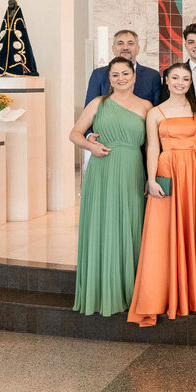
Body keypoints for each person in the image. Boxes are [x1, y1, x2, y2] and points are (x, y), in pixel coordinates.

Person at [127, 63, 196, 326]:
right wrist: (151, 179)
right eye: (175, 78)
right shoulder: (155, 112)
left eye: (185, 79)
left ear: (190, 82)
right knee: (163, 231)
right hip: (168, 171)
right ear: (166, 80)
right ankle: (163, 292)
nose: (180, 83)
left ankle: (194, 292)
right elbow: (152, 148)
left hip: (195, 170)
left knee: (192, 228)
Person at [69, 57, 152, 316]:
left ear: (134, 76)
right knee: (102, 224)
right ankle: (101, 290)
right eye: (115, 75)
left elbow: (152, 146)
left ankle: (129, 291)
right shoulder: (98, 103)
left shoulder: (146, 106)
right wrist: (90, 145)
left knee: (129, 225)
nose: (120, 78)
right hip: (102, 171)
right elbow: (74, 133)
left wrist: (151, 176)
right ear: (109, 79)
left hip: (131, 171)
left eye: (125, 73)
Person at [84, 29, 161, 108]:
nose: (125, 47)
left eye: (130, 43)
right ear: (113, 49)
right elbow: (89, 109)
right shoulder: (98, 74)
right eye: (120, 43)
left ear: (138, 49)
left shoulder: (152, 76)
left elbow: (157, 109)